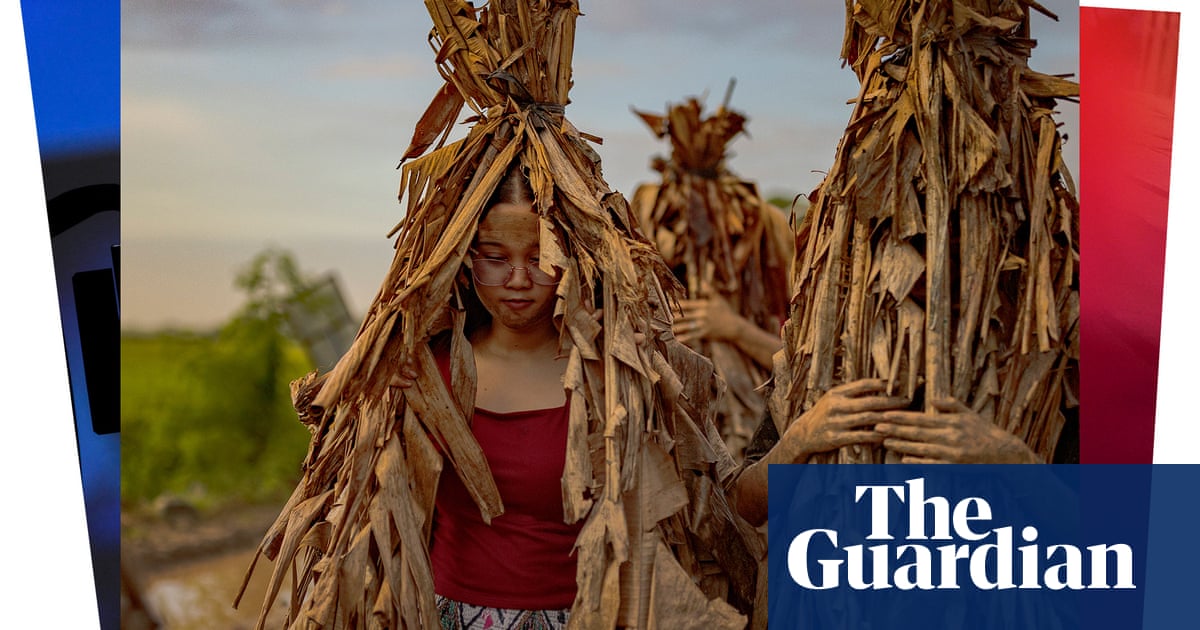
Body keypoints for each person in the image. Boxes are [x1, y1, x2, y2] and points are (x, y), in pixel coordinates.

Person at [391, 169, 579, 629]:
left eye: (540, 259)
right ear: (465, 258)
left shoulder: (603, 379)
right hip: (450, 615)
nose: (518, 280)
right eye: (495, 258)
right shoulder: (424, 372)